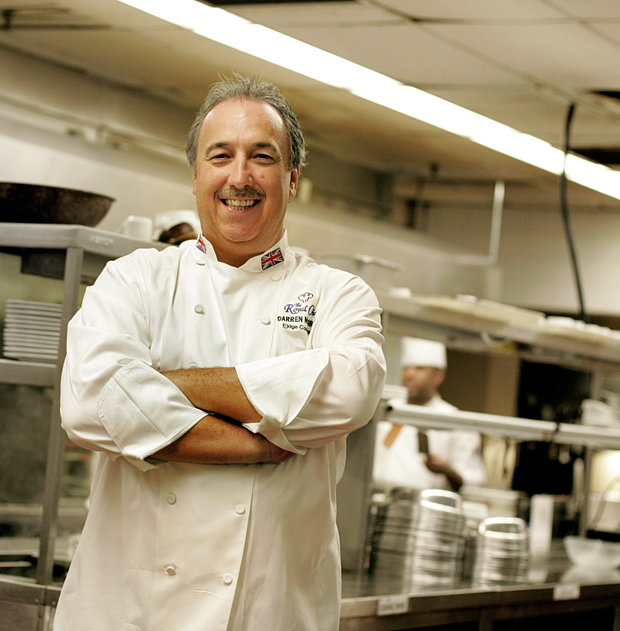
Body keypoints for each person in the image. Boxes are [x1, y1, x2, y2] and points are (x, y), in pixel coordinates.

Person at [56, 75, 386, 631]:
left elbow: (350, 389)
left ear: (293, 176)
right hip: (126, 614)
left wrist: (161, 384)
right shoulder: (135, 280)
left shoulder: (339, 294)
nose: (240, 176)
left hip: (270, 613)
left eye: (262, 157)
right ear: (195, 175)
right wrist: (256, 442)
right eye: (221, 156)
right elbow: (88, 402)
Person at [373, 337, 486, 493]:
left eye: (419, 368)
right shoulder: (388, 410)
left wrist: (446, 470)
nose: (409, 374)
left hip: (425, 508)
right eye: (406, 367)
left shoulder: (455, 420)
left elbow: (472, 483)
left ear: (438, 376)